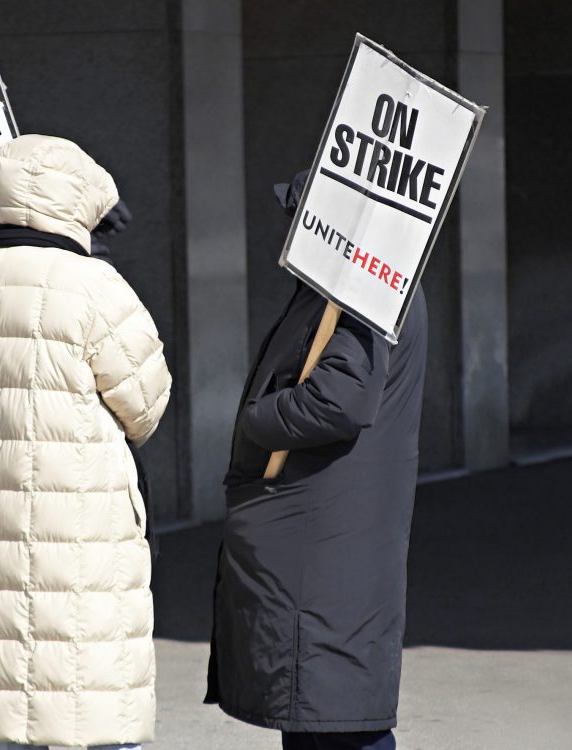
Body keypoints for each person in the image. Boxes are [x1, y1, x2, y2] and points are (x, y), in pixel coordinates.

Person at [0, 134, 172, 750]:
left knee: (15, 690)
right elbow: (144, 405)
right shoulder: (96, 285)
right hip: (86, 521)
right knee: (92, 690)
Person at [205, 171, 429, 750]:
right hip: (326, 536)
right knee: (322, 710)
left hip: (324, 541)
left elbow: (339, 401)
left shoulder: (362, 284)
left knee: (333, 713)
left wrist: (255, 419)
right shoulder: (360, 280)